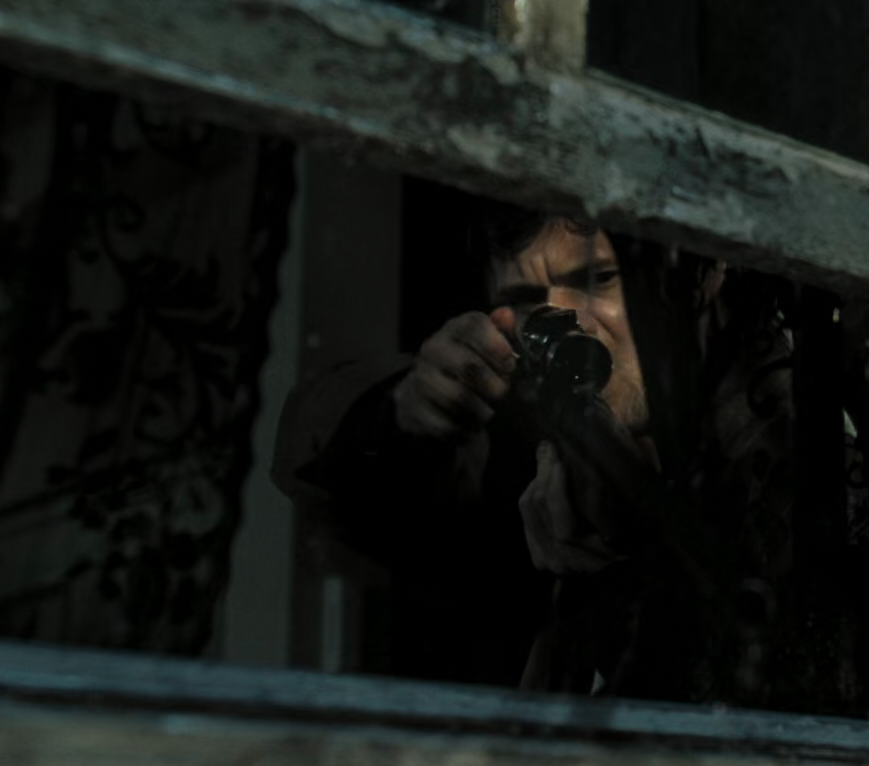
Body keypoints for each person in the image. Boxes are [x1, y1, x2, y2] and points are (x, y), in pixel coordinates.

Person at [272, 207, 791, 696]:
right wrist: (408, 410)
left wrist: (643, 560)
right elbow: (305, 440)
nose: (567, 324)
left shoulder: (795, 444)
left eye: (599, 280)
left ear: (705, 275)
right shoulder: (527, 416)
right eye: (527, 301)